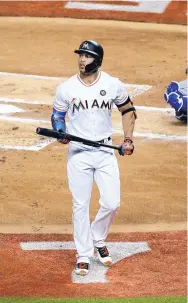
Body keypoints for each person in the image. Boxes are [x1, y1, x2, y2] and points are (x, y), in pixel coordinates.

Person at [51, 40, 136, 276]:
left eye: (86, 56)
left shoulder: (112, 84)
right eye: (80, 55)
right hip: (78, 153)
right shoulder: (66, 88)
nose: (81, 60)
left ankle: (97, 238)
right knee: (80, 205)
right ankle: (83, 254)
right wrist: (60, 132)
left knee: (112, 202)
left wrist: (128, 139)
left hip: (105, 150)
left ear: (97, 60)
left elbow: (127, 110)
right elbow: (57, 116)